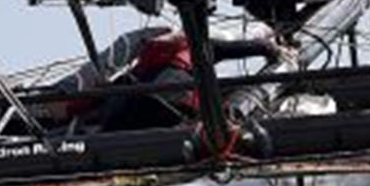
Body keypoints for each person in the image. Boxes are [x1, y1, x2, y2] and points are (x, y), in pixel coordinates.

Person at [95, 26, 284, 131]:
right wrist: (274, 50)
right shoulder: (191, 45)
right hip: (173, 105)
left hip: (128, 113)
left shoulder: (145, 61)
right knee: (221, 102)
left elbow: (113, 89)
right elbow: (246, 48)